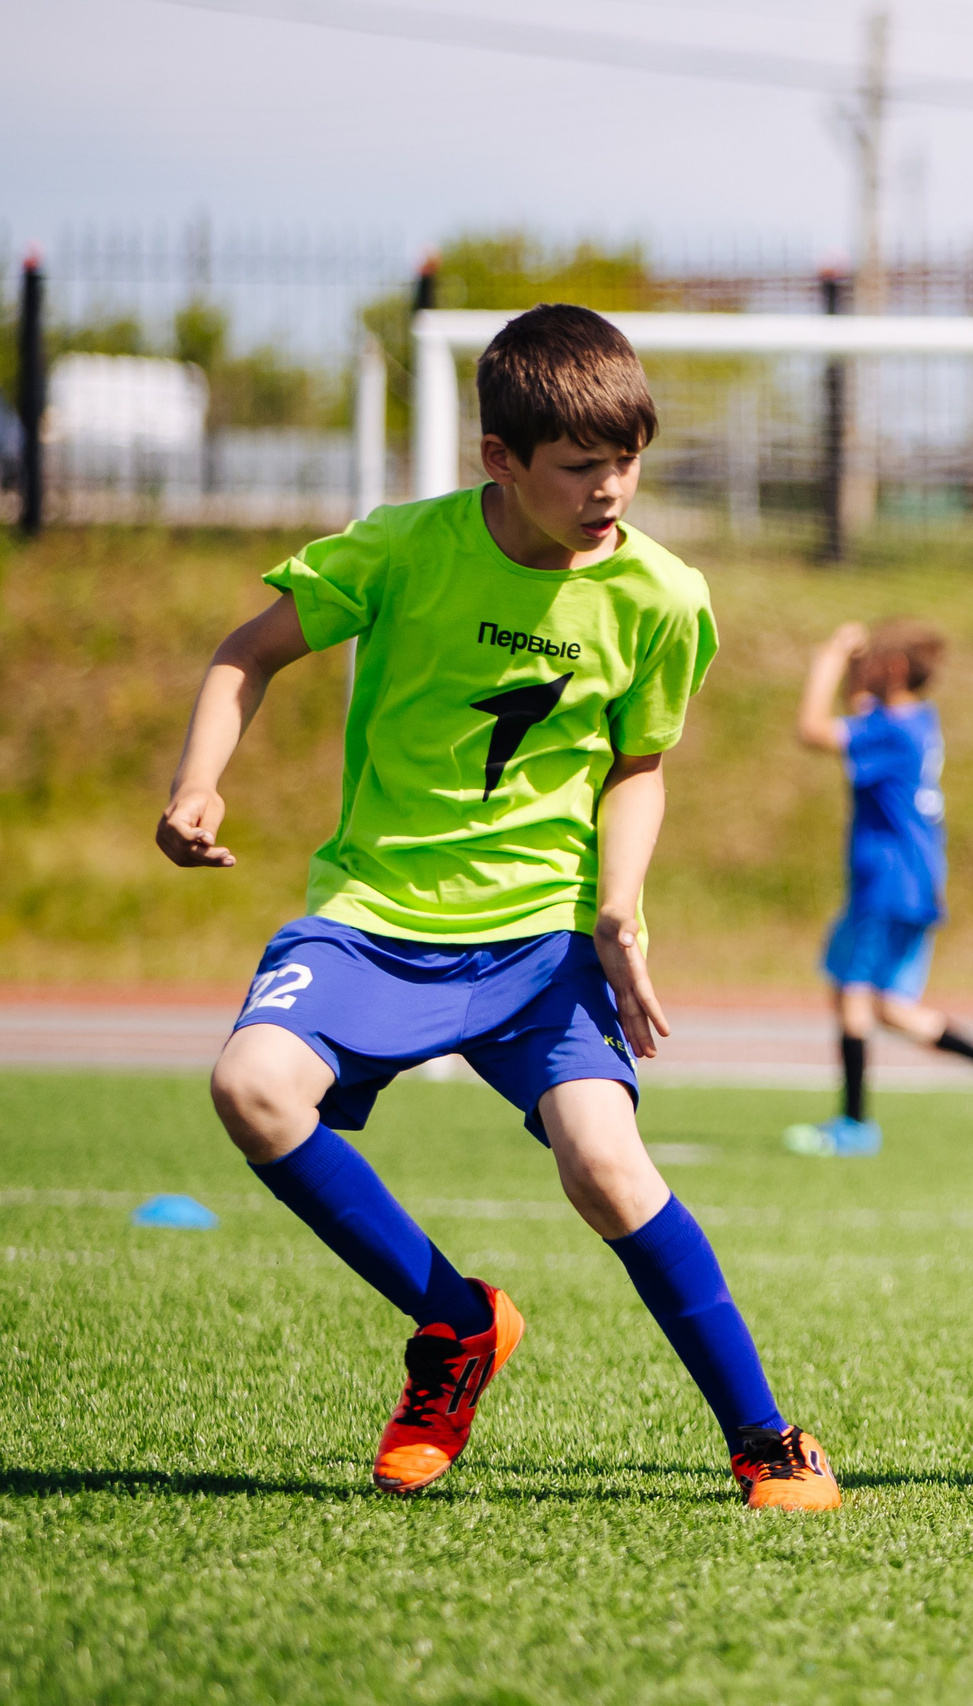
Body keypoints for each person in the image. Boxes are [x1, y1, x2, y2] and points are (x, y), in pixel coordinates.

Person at [154, 305, 838, 1511]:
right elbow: (244, 652)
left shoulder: (663, 596)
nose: (609, 490)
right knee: (251, 1087)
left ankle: (765, 1434)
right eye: (580, 466)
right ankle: (456, 1324)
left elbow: (639, 764)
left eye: (626, 460)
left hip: (540, 937)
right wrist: (198, 782)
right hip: (375, 912)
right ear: (499, 461)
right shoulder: (403, 550)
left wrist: (619, 906)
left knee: (607, 1166)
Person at [784, 617, 973, 1157]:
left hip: (888, 880)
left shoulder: (890, 730)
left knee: (852, 989)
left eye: (874, 658)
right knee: (888, 1006)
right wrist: (856, 668)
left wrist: (827, 661)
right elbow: (861, 709)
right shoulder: (914, 719)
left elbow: (812, 730)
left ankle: (854, 1125)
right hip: (913, 879)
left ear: (894, 668)